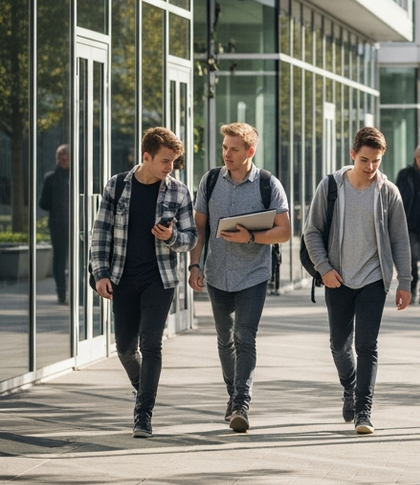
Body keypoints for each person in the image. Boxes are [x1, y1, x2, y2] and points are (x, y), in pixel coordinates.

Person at [88, 128, 197, 438]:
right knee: (124, 348)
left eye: (175, 162)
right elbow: (101, 234)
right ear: (146, 157)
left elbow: (191, 239)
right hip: (122, 277)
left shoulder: (178, 192)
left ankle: (143, 414)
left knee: (151, 344)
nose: (170, 168)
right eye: (165, 161)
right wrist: (100, 274)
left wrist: (172, 237)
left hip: (159, 279)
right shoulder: (117, 185)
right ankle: (143, 386)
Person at [303, 127, 412, 435]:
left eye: (376, 161)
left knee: (367, 345)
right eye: (364, 160)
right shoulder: (331, 187)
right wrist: (324, 268)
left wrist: (405, 281)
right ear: (352, 155)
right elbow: (311, 231)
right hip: (337, 278)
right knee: (339, 345)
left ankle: (364, 411)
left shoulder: (388, 192)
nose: (370, 167)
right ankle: (349, 385)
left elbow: (400, 240)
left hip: (373, 280)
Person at [188, 123, 290, 433]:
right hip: (218, 274)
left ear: (250, 151)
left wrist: (251, 237)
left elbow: (284, 232)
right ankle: (233, 394)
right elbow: (199, 229)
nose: (227, 154)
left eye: (233, 149)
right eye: (224, 148)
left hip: (253, 275)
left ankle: (241, 403)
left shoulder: (268, 184)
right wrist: (194, 265)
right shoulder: (209, 182)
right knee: (224, 340)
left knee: (245, 337)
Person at [395, 143, 420, 305]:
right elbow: (396, 197)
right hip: (409, 223)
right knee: (412, 257)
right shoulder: (405, 174)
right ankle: (412, 287)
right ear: (416, 158)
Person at [39, 144, 70, 305]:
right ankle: (63, 293)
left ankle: (64, 293)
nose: (62, 160)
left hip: (63, 224)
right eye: (60, 157)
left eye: (63, 157)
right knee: (63, 259)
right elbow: (43, 203)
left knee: (61, 259)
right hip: (63, 224)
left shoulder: (51, 178)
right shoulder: (52, 178)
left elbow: (43, 203)